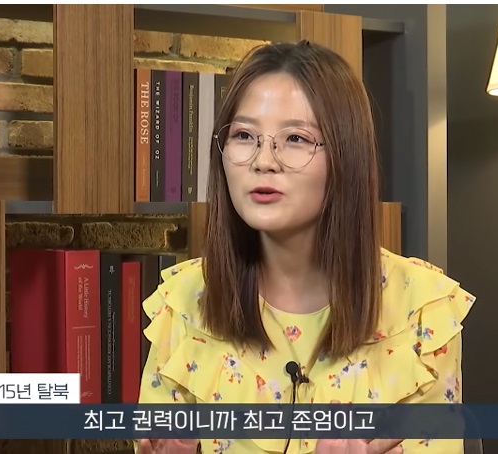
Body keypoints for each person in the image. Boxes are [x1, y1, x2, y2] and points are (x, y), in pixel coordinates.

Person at [135, 40, 477, 454]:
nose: (263, 160)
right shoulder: (183, 302)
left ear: (346, 157)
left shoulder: (423, 311)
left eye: (295, 138)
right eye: (244, 135)